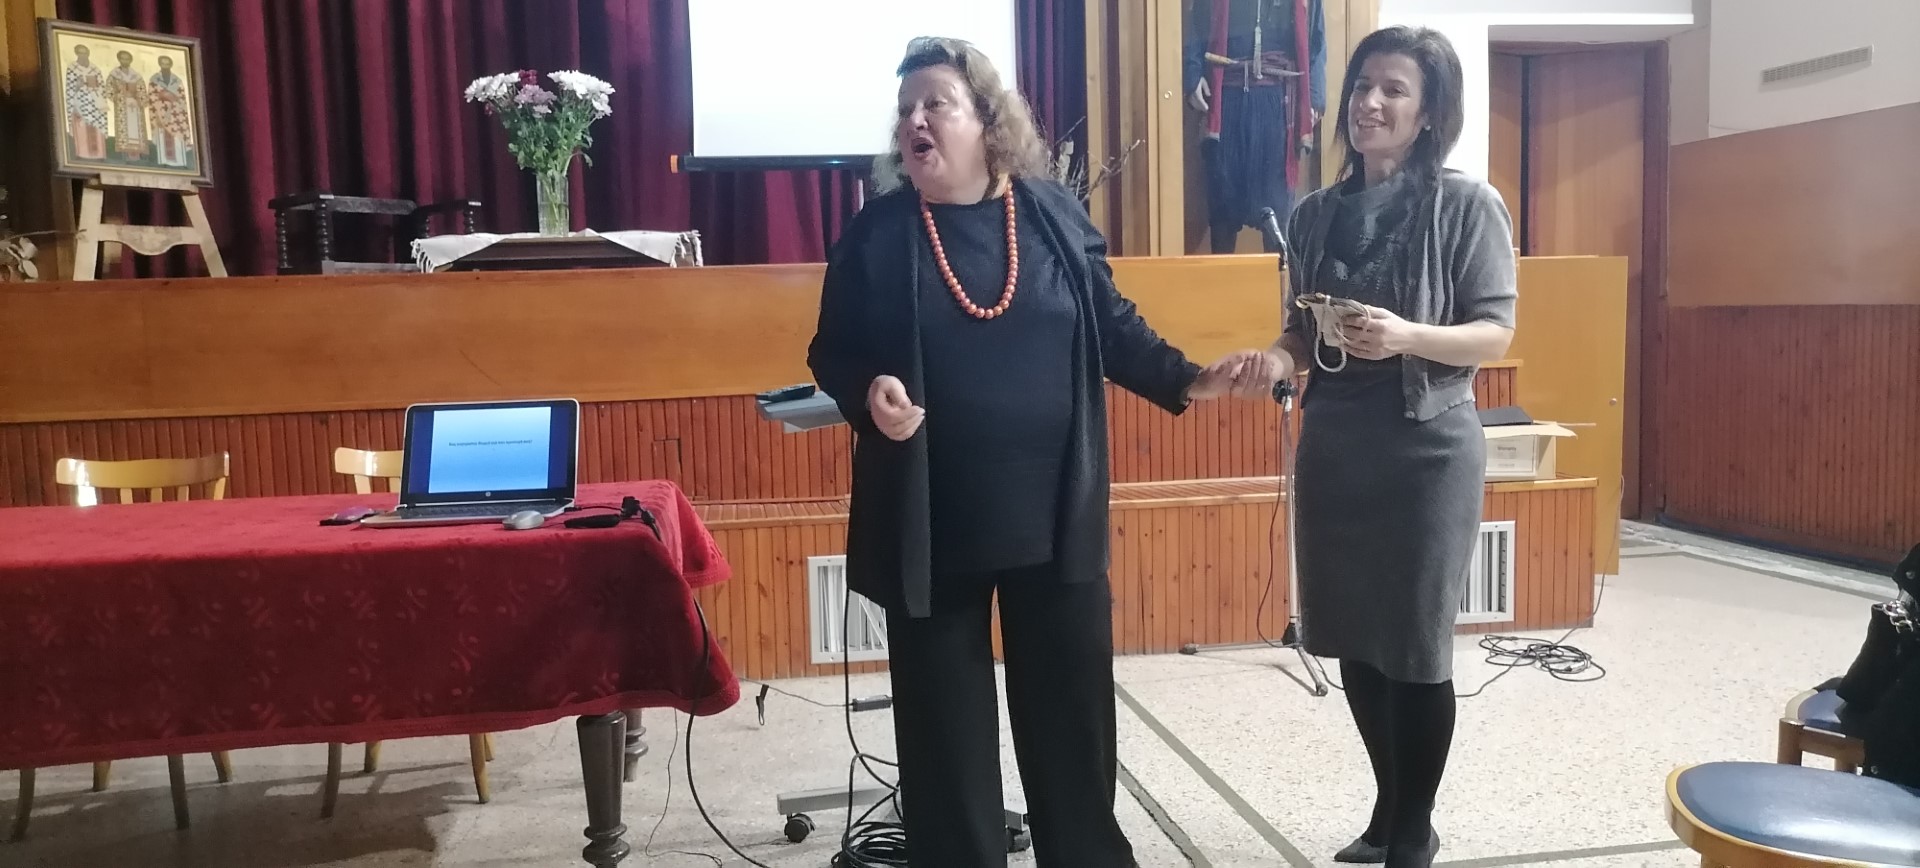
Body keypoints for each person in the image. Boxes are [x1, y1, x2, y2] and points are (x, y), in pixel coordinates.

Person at [806, 35, 1248, 868]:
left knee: (1071, 723)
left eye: (935, 103)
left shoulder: (1050, 214)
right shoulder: (878, 232)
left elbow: (1114, 326)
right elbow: (832, 351)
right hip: (933, 524)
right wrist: (868, 392)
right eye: (905, 109)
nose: (915, 121)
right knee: (945, 740)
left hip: (1052, 517)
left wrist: (1191, 380)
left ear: (987, 119)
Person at [1227, 24, 1517, 868]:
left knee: (1415, 645)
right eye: (1361, 86)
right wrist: (1273, 359)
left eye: (1393, 89)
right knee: (1354, 636)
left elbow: (1495, 333)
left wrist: (1406, 336)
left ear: (1429, 113)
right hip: (1337, 446)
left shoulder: (1468, 205)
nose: (1370, 103)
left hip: (1427, 450)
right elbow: (1297, 331)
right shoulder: (1315, 214)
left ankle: (1413, 834)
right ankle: (1391, 812)